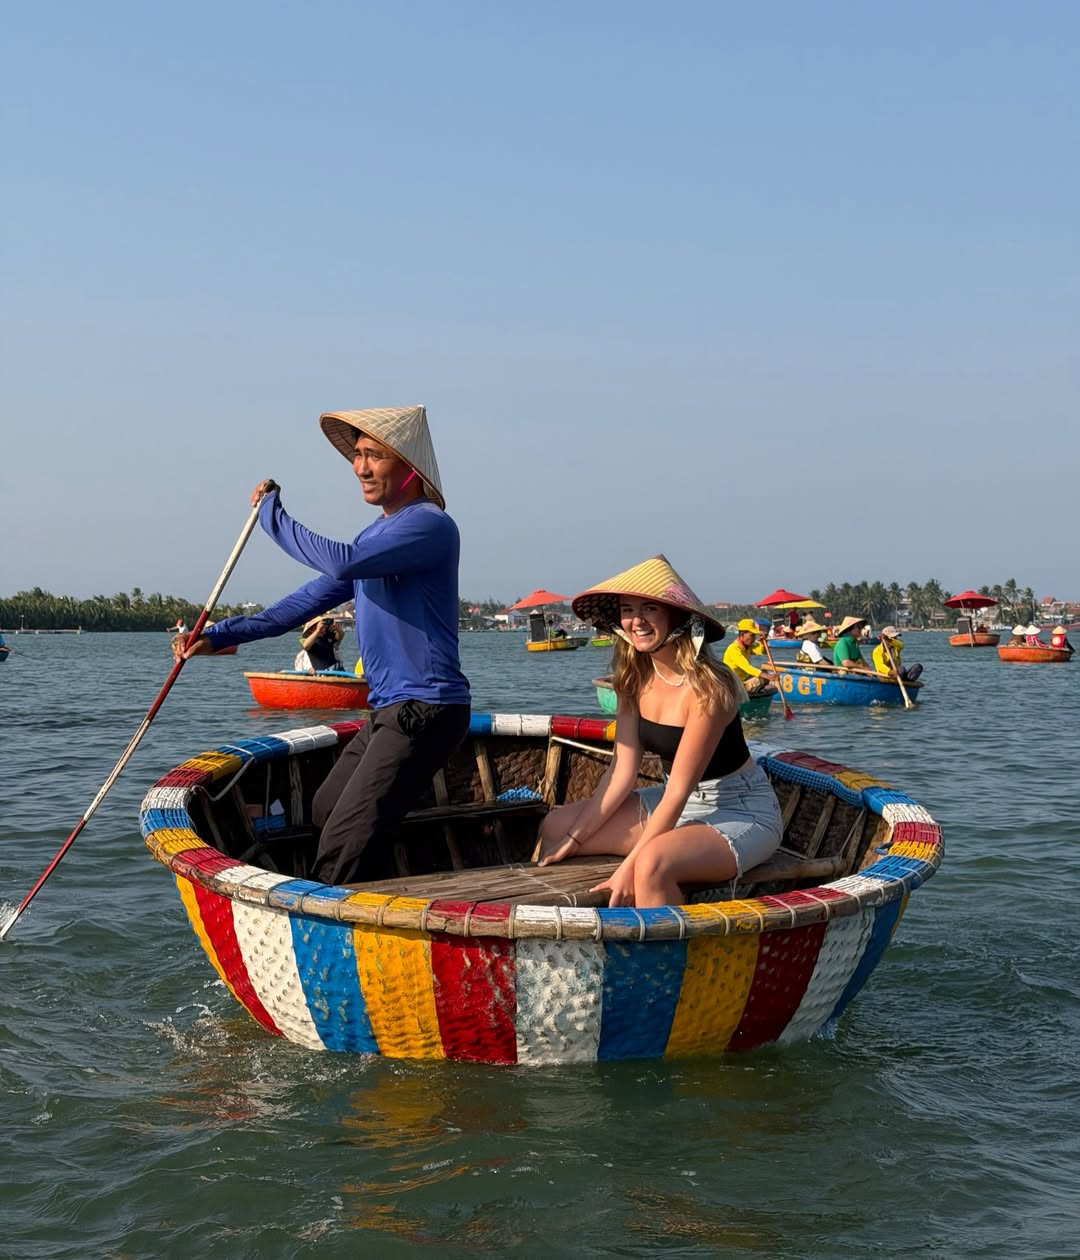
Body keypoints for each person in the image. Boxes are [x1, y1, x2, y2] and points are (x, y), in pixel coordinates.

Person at [174, 405, 471, 885]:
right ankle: (375, 879)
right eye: (357, 456)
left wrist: (272, 516)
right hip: (390, 709)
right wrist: (220, 635)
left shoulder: (430, 525)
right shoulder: (375, 537)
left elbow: (340, 563)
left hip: (427, 708)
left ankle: (337, 903)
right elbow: (301, 604)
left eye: (374, 456)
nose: (360, 468)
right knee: (325, 807)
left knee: (342, 842)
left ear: (410, 467)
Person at [534, 556, 782, 908]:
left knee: (650, 865)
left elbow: (679, 790)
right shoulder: (632, 679)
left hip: (739, 809)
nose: (636, 621)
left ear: (677, 618)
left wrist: (629, 867)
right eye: (628, 610)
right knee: (555, 827)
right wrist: (573, 839)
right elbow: (622, 772)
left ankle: (667, 942)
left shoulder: (710, 687)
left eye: (650, 609)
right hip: (674, 801)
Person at [722, 619, 777, 695]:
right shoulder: (734, 649)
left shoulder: (747, 647)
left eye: (754, 636)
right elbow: (747, 667)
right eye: (752, 635)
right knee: (762, 678)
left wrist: (762, 643)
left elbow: (761, 652)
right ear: (742, 635)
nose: (754, 639)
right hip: (734, 684)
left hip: (742, 680)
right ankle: (744, 693)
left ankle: (752, 691)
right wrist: (768, 676)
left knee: (764, 673)